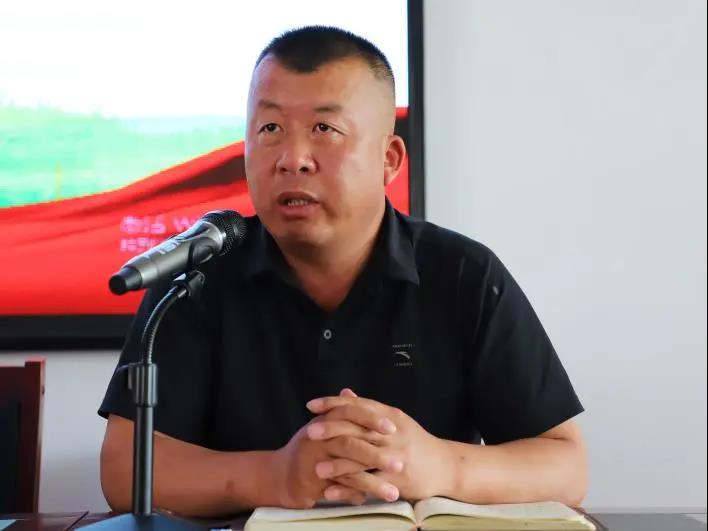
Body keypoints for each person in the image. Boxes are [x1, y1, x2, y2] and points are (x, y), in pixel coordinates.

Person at [99, 26, 588, 517]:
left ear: (388, 159)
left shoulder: (464, 275)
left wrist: (441, 466)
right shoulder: (198, 278)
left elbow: (565, 466)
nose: (292, 159)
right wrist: (273, 476)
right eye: (270, 129)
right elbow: (124, 470)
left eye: (324, 129)